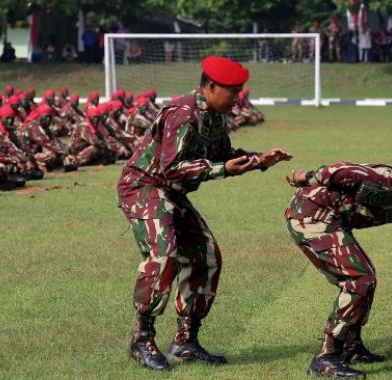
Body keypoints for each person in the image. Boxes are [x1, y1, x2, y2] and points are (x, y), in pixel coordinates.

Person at [117, 55, 293, 371]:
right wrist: (222, 169)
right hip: (144, 186)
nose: (237, 99)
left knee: (206, 256)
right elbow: (172, 168)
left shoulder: (214, 116)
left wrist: (259, 160)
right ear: (211, 87)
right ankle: (141, 339)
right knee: (164, 255)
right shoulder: (183, 115)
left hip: (170, 191)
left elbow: (223, 156)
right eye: (233, 92)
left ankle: (185, 341)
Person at [284, 162, 392, 378]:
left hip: (328, 219)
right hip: (311, 216)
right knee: (359, 279)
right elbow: (338, 171)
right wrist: (308, 178)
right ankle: (326, 357)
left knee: (365, 277)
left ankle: (351, 346)